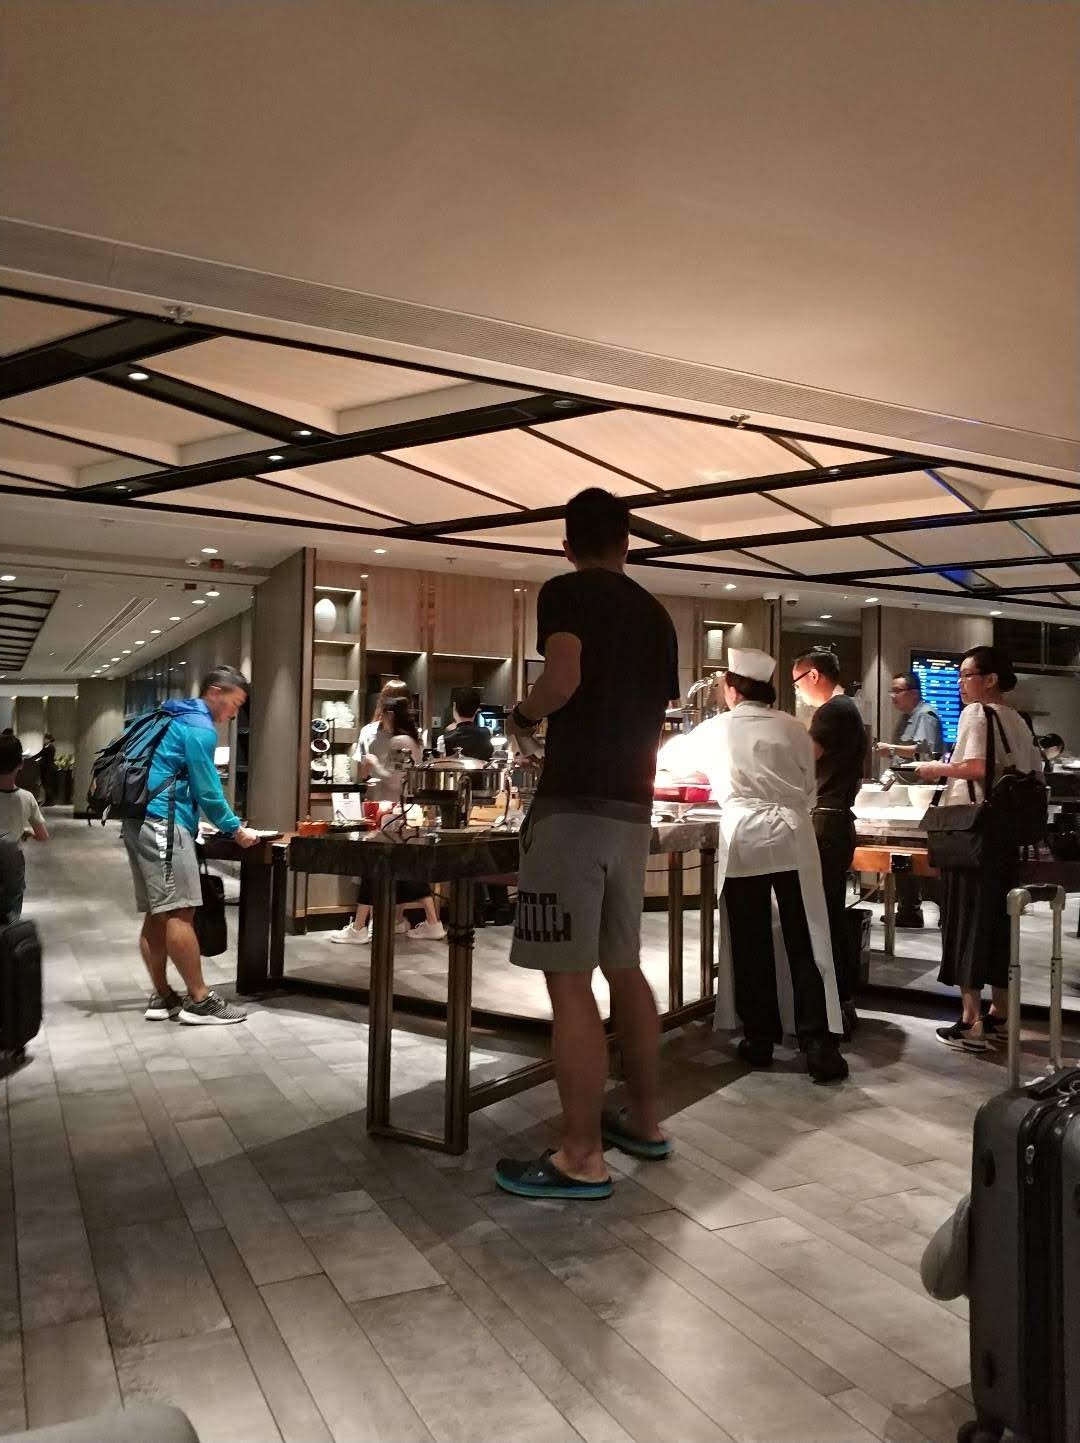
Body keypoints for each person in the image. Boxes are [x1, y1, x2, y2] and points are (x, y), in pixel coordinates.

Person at [495, 487, 679, 1202]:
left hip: (573, 808)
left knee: (568, 980)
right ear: (627, 542)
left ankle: (580, 1155)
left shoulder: (566, 592)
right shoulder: (656, 613)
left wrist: (522, 713)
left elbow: (563, 678)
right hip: (633, 809)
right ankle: (646, 1119)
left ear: (566, 544)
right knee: (623, 967)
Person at [695, 651, 847, 1082]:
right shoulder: (793, 726)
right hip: (793, 835)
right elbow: (808, 787)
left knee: (750, 940)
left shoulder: (716, 729)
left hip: (744, 837)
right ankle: (817, 1043)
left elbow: (673, 764)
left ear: (732, 689)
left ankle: (759, 1039)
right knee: (806, 936)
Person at [912, 645, 1044, 1053]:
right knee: (999, 925)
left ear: (990, 679)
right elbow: (1035, 771)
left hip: (972, 832)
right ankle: (1000, 1014)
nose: (960, 684)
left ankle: (971, 1021)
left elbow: (974, 768)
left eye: (966, 675)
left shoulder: (977, 713)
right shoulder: (1018, 719)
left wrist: (933, 768)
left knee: (965, 922)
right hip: (1006, 837)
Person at [122, 666, 259, 1024]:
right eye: (234, 703)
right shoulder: (199, 727)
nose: (234, 713)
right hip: (164, 823)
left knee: (159, 911)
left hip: (137, 819)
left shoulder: (171, 714)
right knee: (181, 911)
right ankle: (199, 999)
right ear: (215, 692)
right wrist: (235, 829)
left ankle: (163, 997)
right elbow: (207, 787)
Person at [330, 694, 446, 943]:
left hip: (393, 812)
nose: (380, 720)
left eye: (383, 714)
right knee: (407, 870)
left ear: (391, 715)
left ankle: (359, 928)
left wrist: (374, 763)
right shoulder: (413, 740)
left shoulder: (399, 741)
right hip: (404, 811)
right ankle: (426, 921)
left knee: (372, 866)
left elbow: (395, 779)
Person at [792, 648, 866, 1035]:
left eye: (797, 682)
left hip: (827, 822)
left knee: (823, 916)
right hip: (835, 821)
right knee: (830, 914)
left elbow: (803, 759)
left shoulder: (832, 711)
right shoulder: (846, 709)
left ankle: (831, 1008)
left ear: (814, 676)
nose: (798, 690)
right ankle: (839, 1004)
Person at [875, 673, 944, 927]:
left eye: (897, 691)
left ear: (914, 693)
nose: (892, 696)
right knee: (904, 850)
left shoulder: (925, 715)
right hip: (907, 791)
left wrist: (892, 749)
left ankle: (940, 909)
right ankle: (908, 909)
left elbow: (925, 751)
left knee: (921, 853)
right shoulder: (908, 717)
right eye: (891, 691)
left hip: (921, 793)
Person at [0, 733, 49, 922]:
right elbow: (43, 835)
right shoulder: (27, 798)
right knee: (12, 910)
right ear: (20, 764)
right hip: (13, 862)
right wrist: (27, 832)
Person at [438, 688, 494, 761]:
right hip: (482, 768)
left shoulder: (443, 739)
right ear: (477, 709)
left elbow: (441, 765)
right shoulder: (488, 732)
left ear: (454, 707)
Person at [33, 733, 57, 806]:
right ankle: (49, 801)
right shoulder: (49, 747)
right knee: (47, 785)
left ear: (48, 739)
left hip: (48, 769)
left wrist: (31, 758)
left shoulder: (49, 747)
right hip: (48, 768)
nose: (44, 740)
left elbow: (40, 754)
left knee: (47, 785)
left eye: (45, 739)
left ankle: (50, 801)